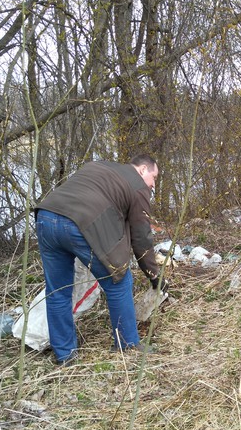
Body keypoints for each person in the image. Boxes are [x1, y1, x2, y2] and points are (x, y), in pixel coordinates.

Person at [34, 155, 168, 365]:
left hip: (45, 217)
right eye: (154, 177)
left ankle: (65, 355)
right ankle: (127, 344)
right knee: (119, 281)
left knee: (58, 292)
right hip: (80, 223)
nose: (153, 184)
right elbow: (141, 237)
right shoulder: (138, 185)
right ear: (142, 169)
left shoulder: (98, 166)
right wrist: (154, 275)